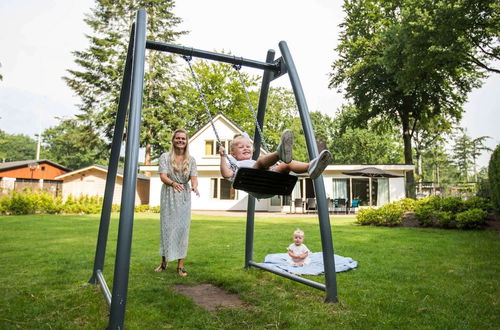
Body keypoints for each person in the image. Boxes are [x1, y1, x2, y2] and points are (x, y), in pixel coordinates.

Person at [155, 129, 199, 277]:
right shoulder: (165, 157)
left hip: (184, 196)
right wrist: (173, 184)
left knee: (182, 229)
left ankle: (180, 267)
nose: (180, 140)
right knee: (167, 228)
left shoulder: (191, 159)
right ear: (173, 140)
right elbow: (163, 176)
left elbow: (194, 177)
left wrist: (194, 186)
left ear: (186, 142)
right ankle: (163, 262)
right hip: (169, 193)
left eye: (183, 139)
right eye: (178, 138)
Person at [219, 129, 332, 183]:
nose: (246, 148)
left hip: (269, 178)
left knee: (286, 164)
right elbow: (226, 174)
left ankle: (310, 167)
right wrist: (223, 156)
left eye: (248, 147)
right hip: (252, 181)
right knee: (260, 161)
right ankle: (279, 153)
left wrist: (271, 168)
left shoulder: (251, 162)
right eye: (241, 147)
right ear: (233, 153)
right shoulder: (233, 162)